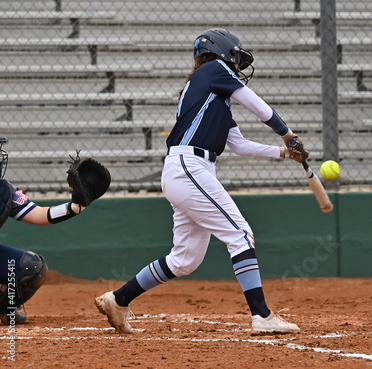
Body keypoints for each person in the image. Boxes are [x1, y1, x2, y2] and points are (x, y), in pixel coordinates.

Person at [95, 28, 308, 334]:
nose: (238, 67)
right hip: (189, 166)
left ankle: (118, 299)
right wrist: (287, 134)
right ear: (222, 54)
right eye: (236, 59)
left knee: (185, 260)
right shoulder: (214, 69)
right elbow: (258, 105)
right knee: (241, 235)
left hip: (189, 170)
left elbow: (239, 145)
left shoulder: (211, 95)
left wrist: (284, 153)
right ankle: (261, 315)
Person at [0, 137, 87, 325]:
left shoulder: (4, 192)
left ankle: (4, 309)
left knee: (32, 267)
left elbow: (41, 215)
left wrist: (77, 205)